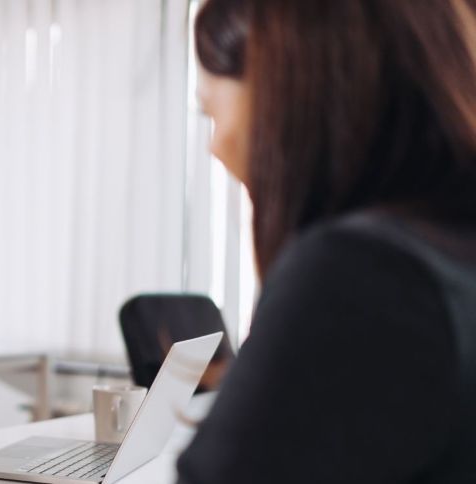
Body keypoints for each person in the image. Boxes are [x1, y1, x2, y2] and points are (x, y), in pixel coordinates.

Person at [179, 0, 476, 482]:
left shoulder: (362, 275)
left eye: (210, 111)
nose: (217, 146)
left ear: (290, 91)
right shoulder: (448, 253)